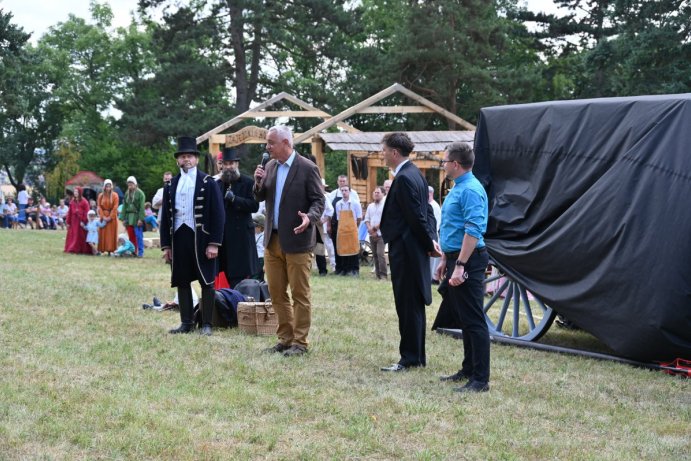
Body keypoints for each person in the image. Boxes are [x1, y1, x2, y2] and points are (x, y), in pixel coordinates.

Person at [253, 125, 324, 357]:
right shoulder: (270, 166)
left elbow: (318, 201)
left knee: (300, 294)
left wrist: (310, 218)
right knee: (276, 293)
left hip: (297, 241)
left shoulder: (307, 168)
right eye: (267, 142)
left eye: (271, 142)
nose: (267, 147)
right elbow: (260, 196)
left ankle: (300, 343)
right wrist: (257, 182)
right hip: (272, 241)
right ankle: (285, 339)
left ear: (286, 143)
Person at [379, 132, 440, 372]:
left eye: (384, 150)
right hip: (414, 248)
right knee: (413, 303)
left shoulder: (405, 178)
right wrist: (432, 240)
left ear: (394, 152)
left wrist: (429, 243)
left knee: (407, 303)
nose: (382, 155)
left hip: (406, 250)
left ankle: (410, 357)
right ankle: (416, 355)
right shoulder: (416, 174)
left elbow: (417, 216)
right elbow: (428, 212)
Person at [435, 142, 490, 393]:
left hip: (468, 259)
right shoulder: (460, 187)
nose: (443, 165)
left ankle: (480, 379)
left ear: (455, 164)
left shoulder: (471, 190)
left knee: (474, 320)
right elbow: (454, 228)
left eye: (444, 161)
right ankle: (468, 369)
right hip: (457, 257)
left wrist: (460, 265)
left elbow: (472, 230)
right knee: (466, 319)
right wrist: (446, 261)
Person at [160, 136, 225, 336]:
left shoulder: (208, 182)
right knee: (182, 280)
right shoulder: (171, 185)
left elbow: (218, 214)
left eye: (189, 156)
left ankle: (207, 324)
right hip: (178, 237)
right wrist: (166, 246)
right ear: (177, 160)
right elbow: (165, 218)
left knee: (206, 281)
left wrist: (214, 243)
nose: (186, 160)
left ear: (196, 159)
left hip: (202, 239)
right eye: (182, 157)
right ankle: (186, 323)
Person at [217, 146, 260, 287]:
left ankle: (241, 303)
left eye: (231, 164)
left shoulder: (248, 182)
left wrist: (235, 199)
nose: (228, 167)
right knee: (225, 273)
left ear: (237, 165)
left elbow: (254, 206)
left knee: (240, 276)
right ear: (221, 165)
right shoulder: (217, 184)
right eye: (226, 164)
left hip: (241, 237)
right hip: (223, 238)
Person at [334, 185, 362, 276]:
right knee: (343, 250)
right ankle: (344, 270)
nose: (344, 192)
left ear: (349, 191)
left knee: (353, 249)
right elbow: (339, 219)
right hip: (342, 230)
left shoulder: (355, 203)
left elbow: (359, 218)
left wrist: (354, 227)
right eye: (342, 190)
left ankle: (355, 270)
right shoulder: (338, 204)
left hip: (352, 230)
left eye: (346, 190)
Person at [364, 186, 387, 280]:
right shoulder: (370, 206)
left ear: (383, 194)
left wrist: (374, 228)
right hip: (371, 234)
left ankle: (384, 275)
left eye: (378, 193)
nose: (376, 194)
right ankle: (378, 275)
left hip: (381, 234)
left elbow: (385, 220)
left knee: (380, 254)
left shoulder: (385, 206)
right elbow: (366, 219)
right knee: (375, 255)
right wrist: (369, 228)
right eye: (375, 192)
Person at [122, 176, 146, 257]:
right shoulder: (127, 193)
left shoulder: (140, 193)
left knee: (138, 236)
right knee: (131, 236)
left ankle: (140, 252)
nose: (130, 186)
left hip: (137, 217)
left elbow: (142, 207)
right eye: (128, 184)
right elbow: (124, 206)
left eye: (131, 184)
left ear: (135, 184)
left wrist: (140, 219)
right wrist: (124, 218)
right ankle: (133, 251)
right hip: (129, 217)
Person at [64, 187, 92, 254]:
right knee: (73, 235)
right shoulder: (72, 201)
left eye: (77, 192)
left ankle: (79, 249)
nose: (75, 193)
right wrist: (68, 222)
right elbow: (70, 212)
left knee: (80, 235)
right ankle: (72, 248)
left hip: (80, 221)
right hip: (73, 221)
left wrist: (84, 221)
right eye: (75, 192)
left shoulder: (84, 202)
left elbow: (86, 212)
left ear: (80, 193)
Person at [315, 179, 334, 276]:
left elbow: (330, 211)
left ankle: (322, 270)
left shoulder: (324, 197)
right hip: (307, 223)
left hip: (318, 225)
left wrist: (323, 220)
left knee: (320, 247)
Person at [97, 179, 119, 254]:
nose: (108, 188)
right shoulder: (101, 195)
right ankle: (102, 249)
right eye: (106, 186)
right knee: (103, 234)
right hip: (103, 216)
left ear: (111, 187)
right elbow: (99, 207)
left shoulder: (115, 195)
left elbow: (115, 207)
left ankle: (111, 250)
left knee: (111, 235)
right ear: (104, 187)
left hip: (112, 218)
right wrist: (103, 217)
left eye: (109, 186)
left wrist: (110, 217)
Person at [428, 186, 442, 283]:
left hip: (435, 235)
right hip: (434, 234)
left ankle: (434, 277)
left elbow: (436, 222)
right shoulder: (430, 205)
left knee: (434, 260)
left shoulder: (434, 206)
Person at [252, 213, 265, 281]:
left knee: (256, 277)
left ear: (260, 227)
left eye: (255, 226)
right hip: (255, 258)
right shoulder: (255, 234)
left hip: (261, 259)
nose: (253, 228)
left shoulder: (264, 236)